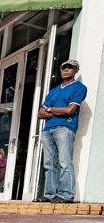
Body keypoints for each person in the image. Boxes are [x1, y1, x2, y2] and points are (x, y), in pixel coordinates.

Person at [38, 59, 86, 203]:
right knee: (49, 163)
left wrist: (50, 109)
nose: (66, 69)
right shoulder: (53, 91)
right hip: (47, 130)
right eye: (63, 67)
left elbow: (70, 110)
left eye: (70, 67)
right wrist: (59, 111)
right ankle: (50, 195)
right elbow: (40, 113)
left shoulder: (79, 88)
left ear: (76, 70)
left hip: (65, 128)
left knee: (64, 162)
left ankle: (66, 195)